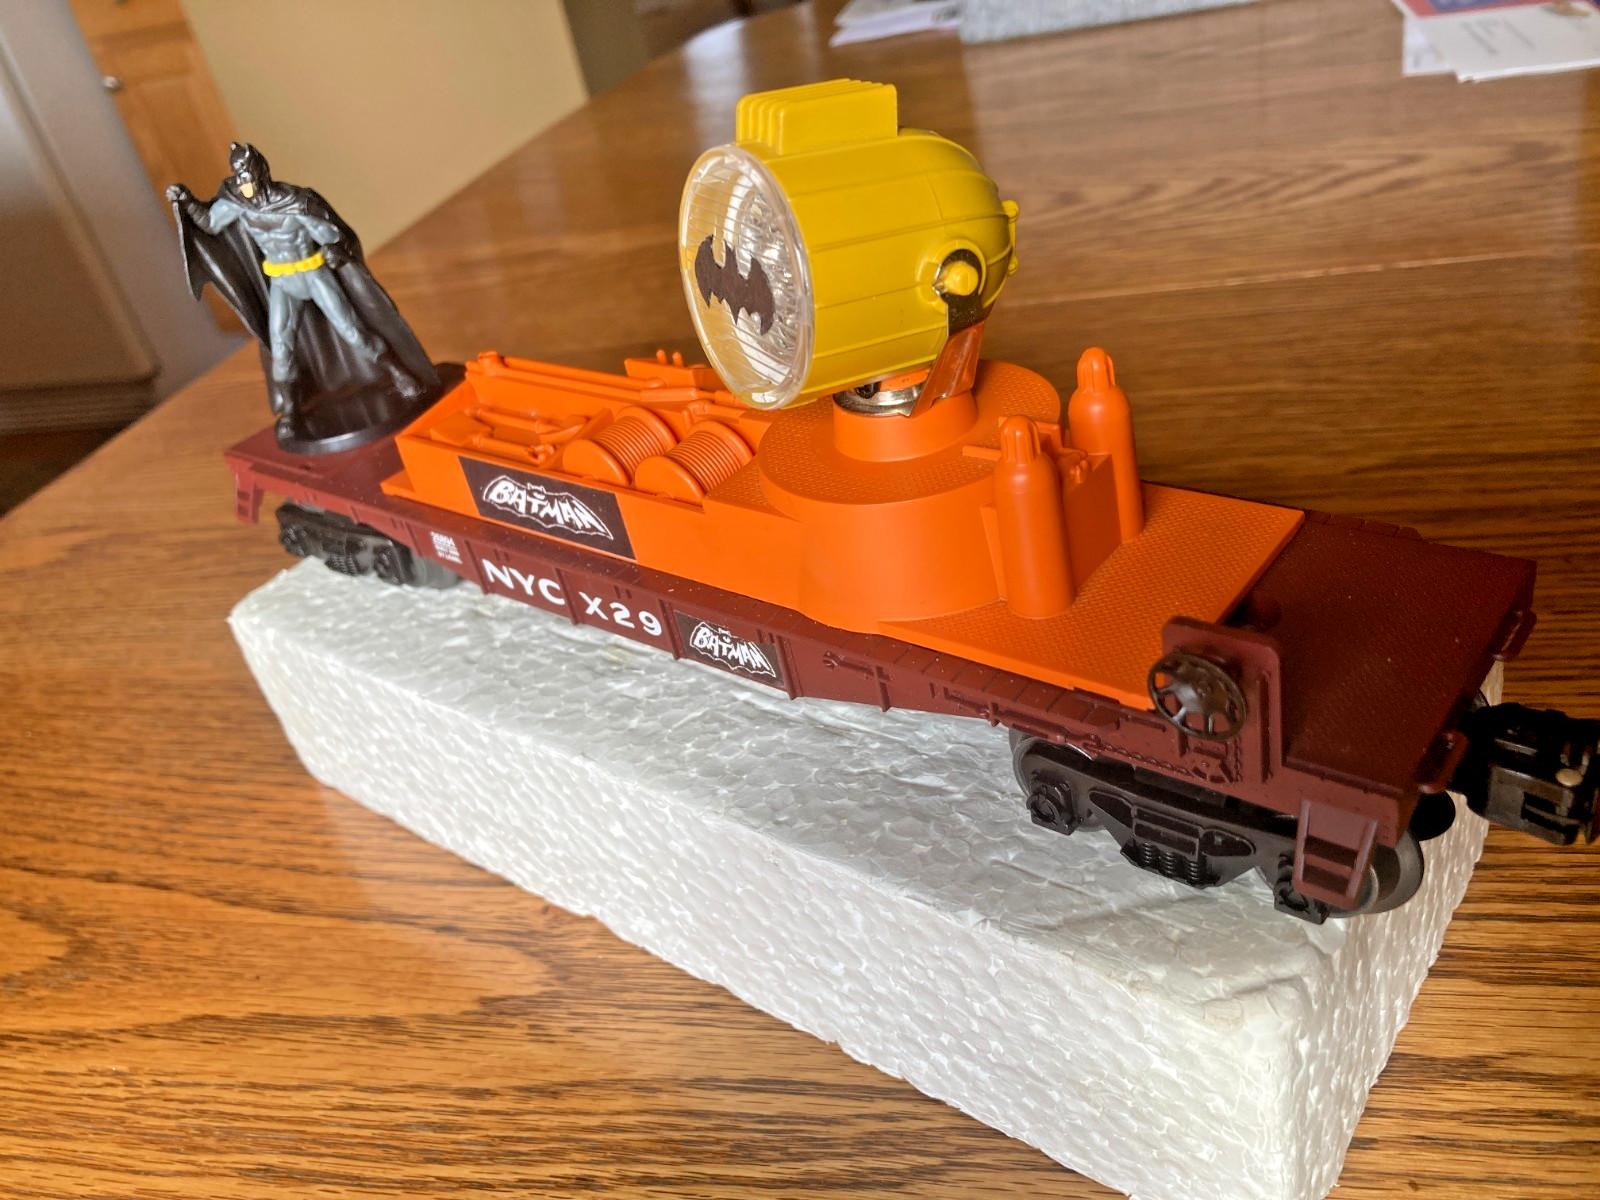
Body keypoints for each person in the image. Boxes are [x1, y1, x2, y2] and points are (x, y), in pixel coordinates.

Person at [168, 143, 437, 444]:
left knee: (352, 330)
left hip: (313, 273)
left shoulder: (297, 202)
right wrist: (188, 201)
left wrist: (335, 249)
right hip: (281, 281)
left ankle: (398, 373)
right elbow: (210, 223)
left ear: (260, 173)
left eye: (247, 175)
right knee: (281, 347)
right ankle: (291, 410)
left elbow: (333, 235)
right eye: (239, 176)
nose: (243, 183)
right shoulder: (238, 205)